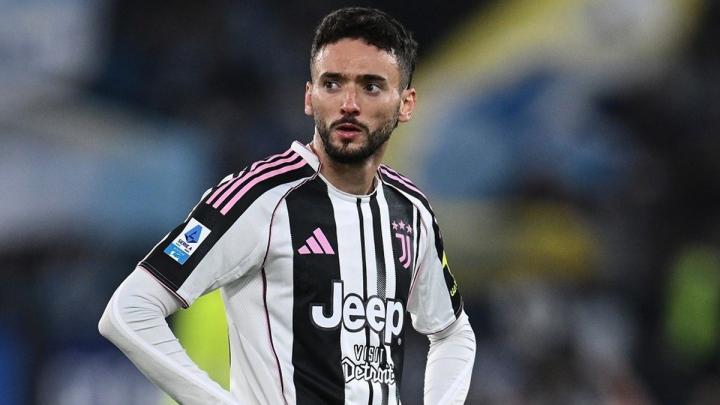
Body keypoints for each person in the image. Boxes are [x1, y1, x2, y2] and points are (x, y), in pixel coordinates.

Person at [99, 7, 476, 404]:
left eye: (371, 87)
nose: (349, 103)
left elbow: (452, 331)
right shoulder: (260, 196)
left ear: (406, 104)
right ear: (310, 97)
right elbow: (128, 312)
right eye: (332, 84)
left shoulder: (411, 210)